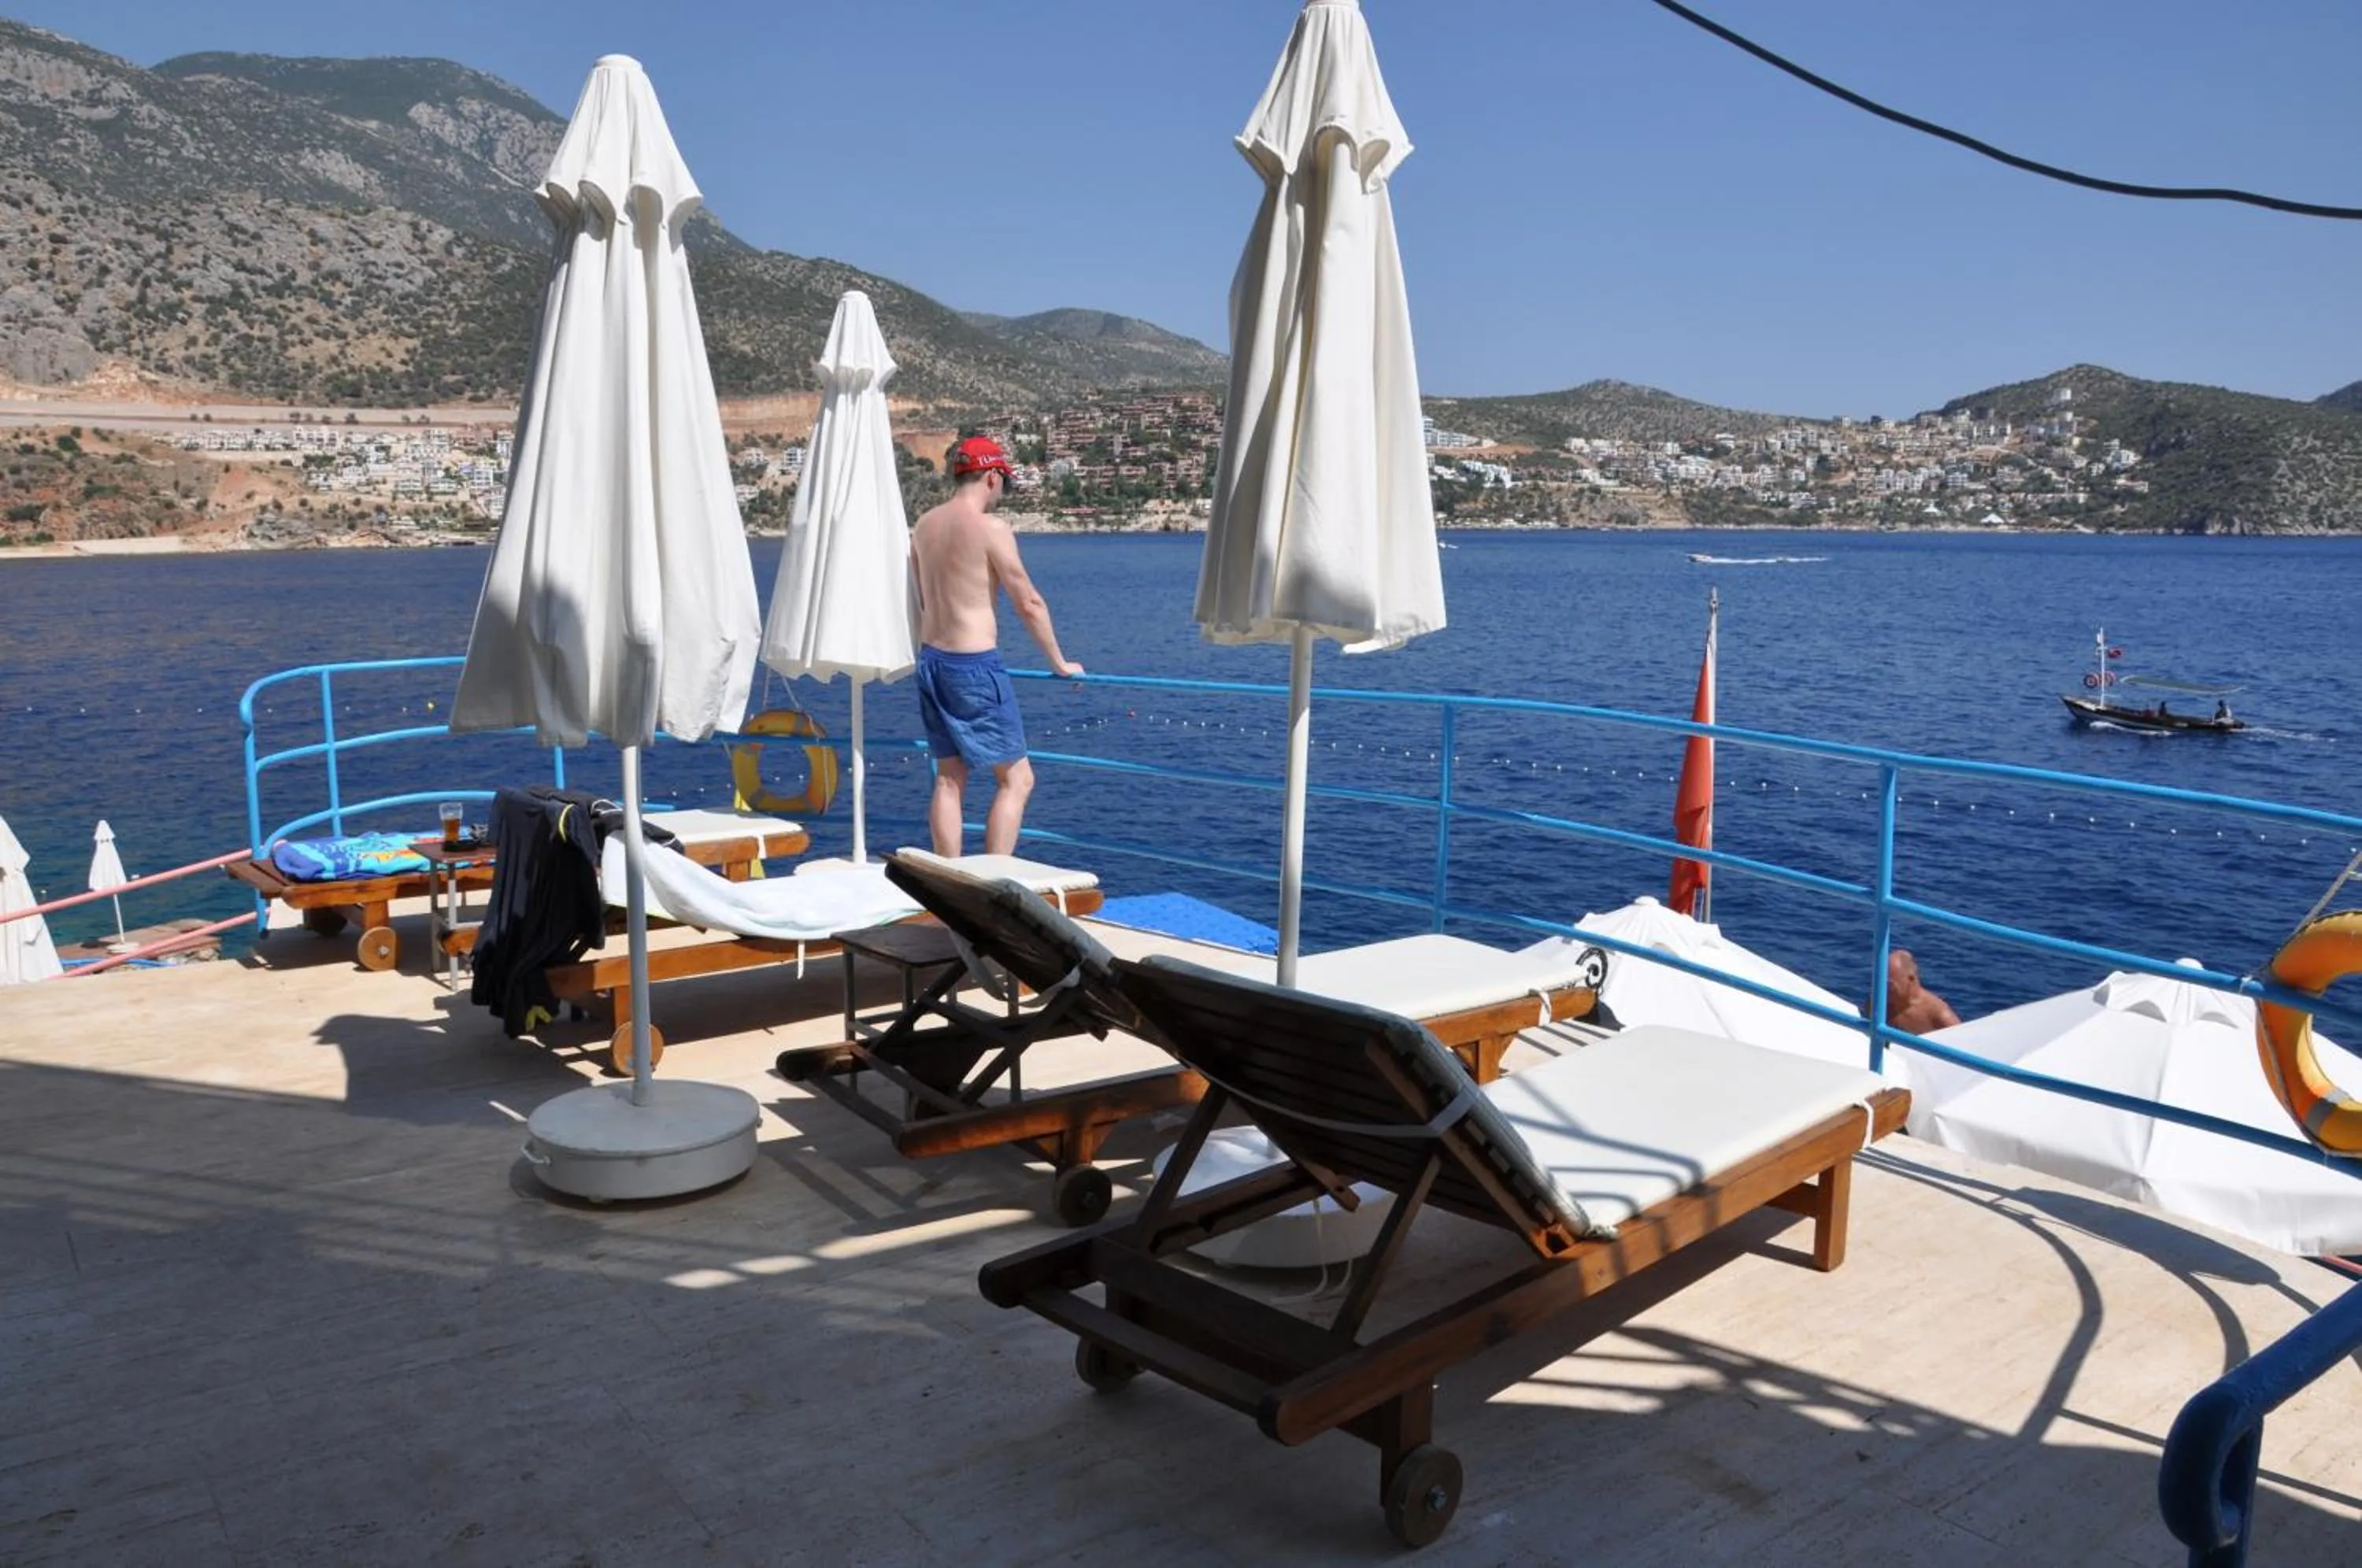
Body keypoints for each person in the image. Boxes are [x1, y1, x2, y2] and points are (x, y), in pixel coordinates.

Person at [909, 435, 1084, 857]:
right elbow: (1028, 601)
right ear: (992, 477)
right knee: (1018, 779)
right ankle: (991, 886)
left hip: (931, 660)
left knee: (949, 779)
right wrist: (1060, 662)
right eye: (1003, 482)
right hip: (973, 666)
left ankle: (949, 884)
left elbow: (920, 600)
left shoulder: (924, 525)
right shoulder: (991, 529)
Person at [1881, 949, 1960, 1036]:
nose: (1883, 990)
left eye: (1889, 986)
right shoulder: (1879, 1003)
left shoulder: (1941, 1017)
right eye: (1881, 983)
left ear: (1911, 979)